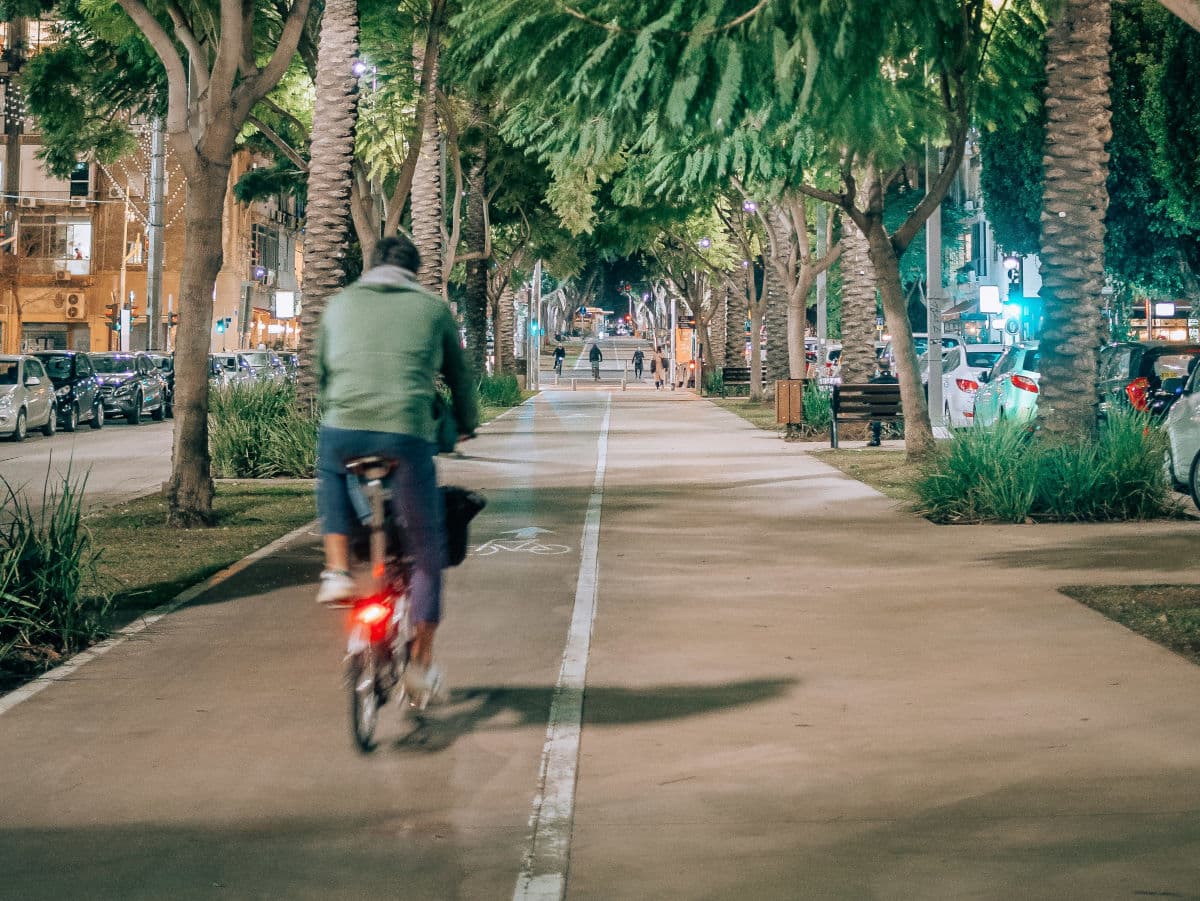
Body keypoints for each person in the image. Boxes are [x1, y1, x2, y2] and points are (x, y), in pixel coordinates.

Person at [315, 234, 479, 699]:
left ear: (368, 267)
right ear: (415, 271)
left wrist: (340, 408)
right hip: (407, 437)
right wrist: (466, 424)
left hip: (343, 431)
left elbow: (323, 374)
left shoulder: (339, 304)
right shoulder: (431, 309)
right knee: (427, 553)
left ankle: (337, 572)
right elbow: (460, 378)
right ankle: (421, 664)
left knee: (330, 471)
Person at [867, 357, 898, 447]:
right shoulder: (896, 382)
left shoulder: (873, 382)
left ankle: (876, 439)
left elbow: (865, 400)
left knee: (876, 415)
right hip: (892, 411)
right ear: (890, 367)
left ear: (878, 368)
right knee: (877, 412)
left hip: (876, 412)